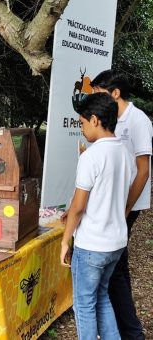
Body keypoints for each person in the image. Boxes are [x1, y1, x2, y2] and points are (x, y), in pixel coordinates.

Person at [60, 93, 135, 340]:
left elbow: (79, 207)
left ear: (94, 120)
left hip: (92, 245)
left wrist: (65, 240)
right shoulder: (124, 152)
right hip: (115, 243)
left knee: (84, 305)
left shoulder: (91, 156)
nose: (81, 129)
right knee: (102, 297)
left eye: (82, 123)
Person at [91, 69, 152, 340]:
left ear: (115, 93)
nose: (95, 102)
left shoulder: (138, 120)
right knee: (118, 267)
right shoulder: (111, 118)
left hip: (127, 205)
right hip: (113, 204)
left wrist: (125, 208)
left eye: (99, 95)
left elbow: (143, 170)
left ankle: (130, 333)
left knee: (114, 270)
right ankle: (125, 329)